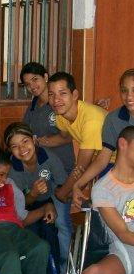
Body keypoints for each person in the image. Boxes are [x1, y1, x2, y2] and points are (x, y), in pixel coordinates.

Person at [21, 126, 134, 274]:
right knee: (93, 272)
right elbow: (123, 234)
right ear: (123, 144)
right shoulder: (104, 189)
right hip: (125, 253)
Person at [40, 71, 110, 202]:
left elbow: (81, 166)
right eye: (51, 94)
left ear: (75, 95)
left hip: (117, 161)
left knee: (103, 202)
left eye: (62, 93)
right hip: (98, 160)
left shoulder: (91, 120)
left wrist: (62, 194)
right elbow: (65, 138)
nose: (56, 100)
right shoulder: (61, 115)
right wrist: (38, 142)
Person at [4, 122, 62, 274]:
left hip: (47, 201)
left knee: (50, 231)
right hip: (24, 207)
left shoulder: (48, 157)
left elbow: (62, 186)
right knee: (32, 234)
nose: (22, 148)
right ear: (10, 150)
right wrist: (34, 193)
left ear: (34, 140)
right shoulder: (12, 168)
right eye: (15, 146)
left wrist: (53, 202)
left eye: (25, 141)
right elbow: (19, 205)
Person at [73, 68, 134, 208]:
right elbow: (102, 159)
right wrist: (78, 184)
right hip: (124, 173)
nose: (129, 96)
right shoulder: (114, 119)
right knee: (103, 191)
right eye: (124, 91)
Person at [20, 62, 75, 175]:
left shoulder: (59, 103)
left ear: (45, 77)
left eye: (35, 79)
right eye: (27, 84)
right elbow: (23, 132)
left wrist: (40, 142)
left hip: (62, 164)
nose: (32, 86)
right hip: (42, 166)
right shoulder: (33, 105)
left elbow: (69, 136)